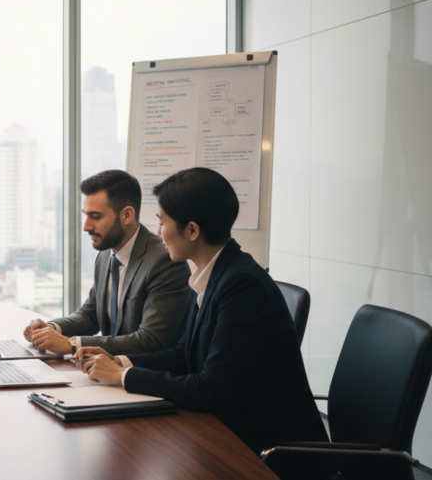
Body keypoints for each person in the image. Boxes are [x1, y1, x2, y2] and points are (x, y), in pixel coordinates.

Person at [75, 168, 331, 473]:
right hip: (234, 433)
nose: (158, 233)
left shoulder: (242, 286)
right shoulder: (214, 275)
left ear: (192, 230)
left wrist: (122, 378)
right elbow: (187, 353)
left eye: (162, 222)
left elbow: (213, 390)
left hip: (269, 454)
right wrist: (122, 361)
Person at [23, 170, 192, 355]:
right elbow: (91, 314)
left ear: (127, 215)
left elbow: (150, 340)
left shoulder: (164, 261)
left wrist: (72, 344)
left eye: (96, 217)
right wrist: (52, 328)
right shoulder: (106, 254)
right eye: (86, 215)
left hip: (146, 376)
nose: (86, 226)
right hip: (106, 373)